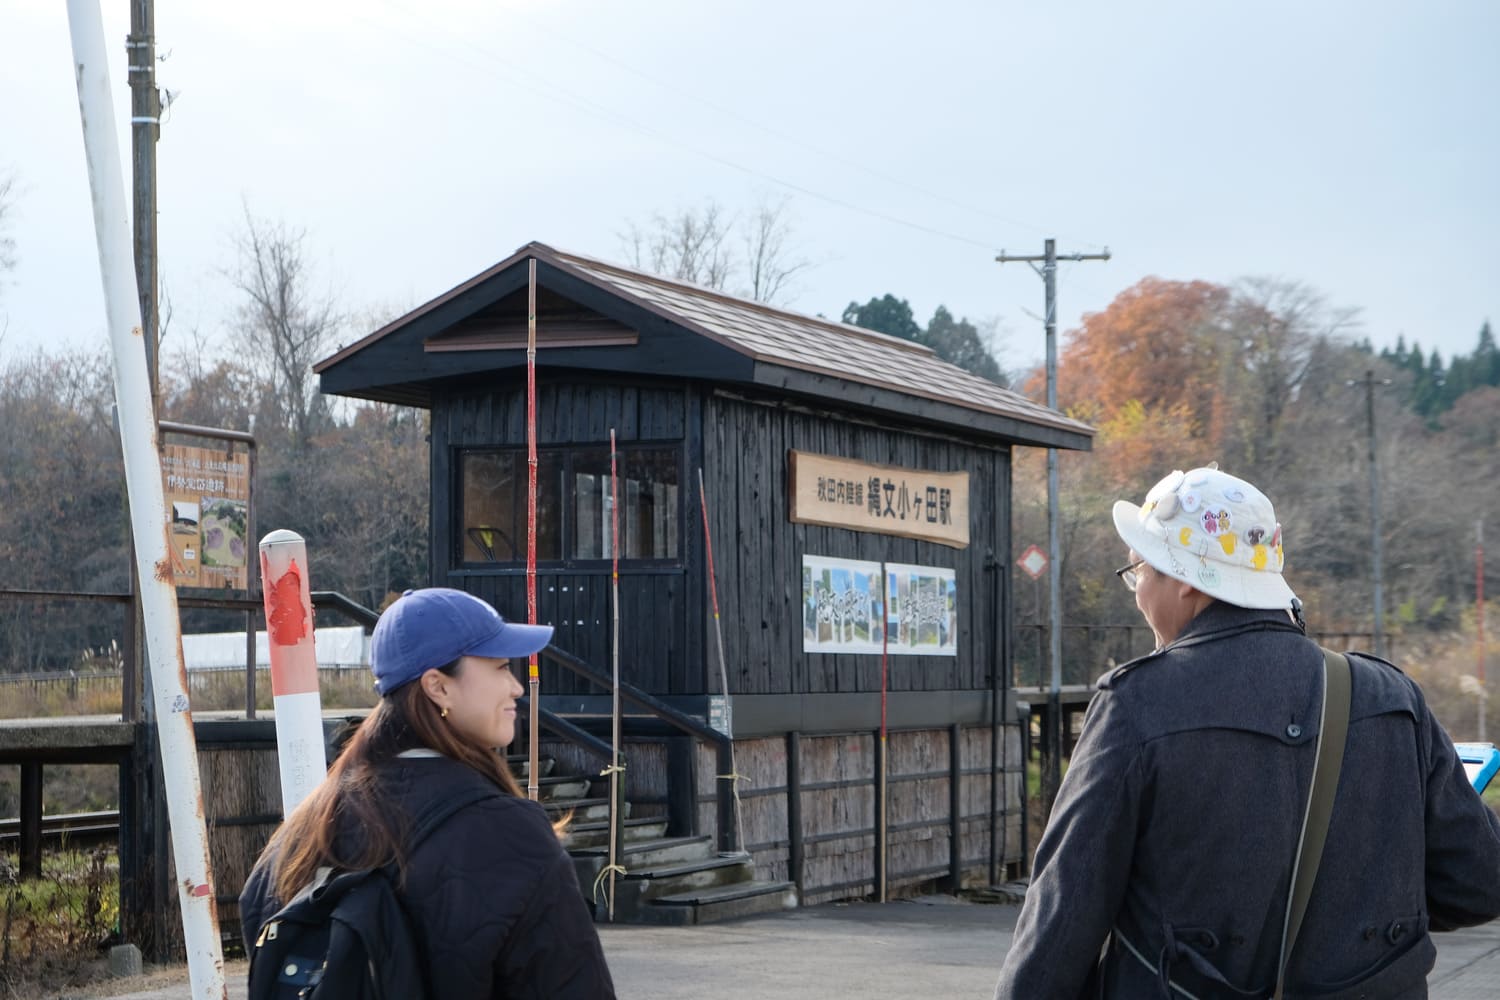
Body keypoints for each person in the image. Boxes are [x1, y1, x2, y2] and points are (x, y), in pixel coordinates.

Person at [994, 465, 1500, 998]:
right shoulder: (1391, 699)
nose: (1137, 589)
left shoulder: (1138, 705)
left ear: (1185, 577)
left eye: (1138, 569)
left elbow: (1063, 915)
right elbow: (1480, 884)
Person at [241, 587, 616, 999]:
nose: (516, 688)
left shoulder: (303, 832)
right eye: (500, 668)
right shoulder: (510, 835)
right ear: (437, 686)